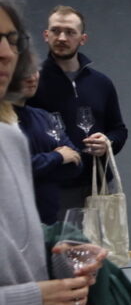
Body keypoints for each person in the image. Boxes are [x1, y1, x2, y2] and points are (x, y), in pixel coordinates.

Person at [0, 0, 103, 305]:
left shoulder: (10, 138)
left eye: (8, 38)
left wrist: (54, 264)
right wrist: (31, 301)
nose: (4, 52)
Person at [28, 5, 128, 213]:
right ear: (46, 35)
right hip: (54, 187)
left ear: (82, 39)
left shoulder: (101, 83)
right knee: (60, 245)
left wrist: (108, 143)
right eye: (56, 31)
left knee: (102, 245)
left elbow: (119, 130)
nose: (62, 37)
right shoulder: (31, 82)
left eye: (70, 32)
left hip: (98, 184)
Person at [11, 67, 82, 225]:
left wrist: (37, 169)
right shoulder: (4, 122)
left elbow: (75, 164)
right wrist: (57, 157)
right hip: (12, 223)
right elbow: (12, 170)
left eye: (34, 70)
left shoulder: (44, 117)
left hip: (49, 219)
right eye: (23, 71)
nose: (31, 78)